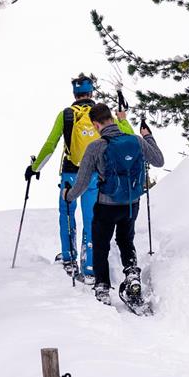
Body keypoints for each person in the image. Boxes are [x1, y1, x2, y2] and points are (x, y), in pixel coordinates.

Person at [26, 75, 134, 282]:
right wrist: (122, 118)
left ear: (74, 94)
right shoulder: (101, 115)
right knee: (92, 218)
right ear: (91, 92)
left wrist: (34, 167)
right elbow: (128, 136)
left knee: (66, 213)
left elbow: (51, 145)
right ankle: (90, 264)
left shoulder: (66, 115)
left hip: (70, 173)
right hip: (95, 174)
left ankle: (68, 258)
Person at [65, 103, 164, 305]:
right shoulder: (136, 140)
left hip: (107, 206)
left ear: (95, 124)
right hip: (131, 204)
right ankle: (132, 275)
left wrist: (68, 195)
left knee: (101, 245)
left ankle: (102, 287)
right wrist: (148, 136)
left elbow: (82, 182)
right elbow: (159, 161)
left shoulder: (96, 147)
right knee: (126, 240)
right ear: (111, 118)